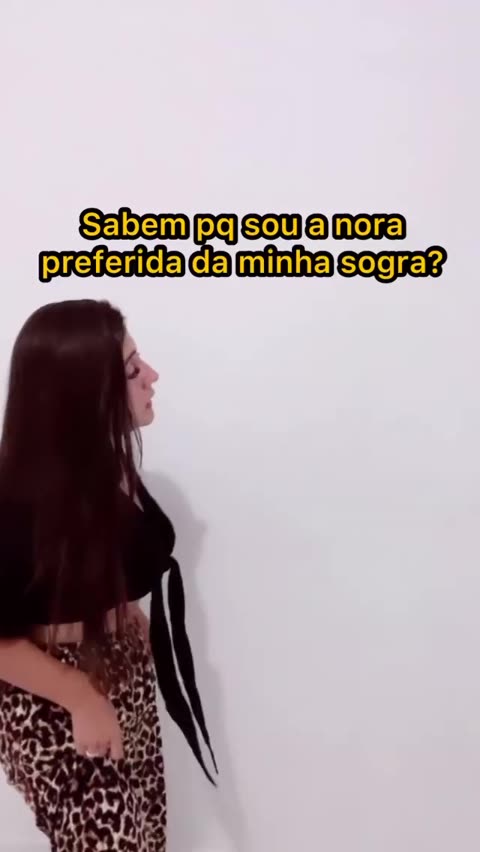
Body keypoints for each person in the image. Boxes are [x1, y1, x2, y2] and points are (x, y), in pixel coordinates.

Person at [0, 299, 217, 852]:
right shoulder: (13, 501)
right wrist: (81, 696)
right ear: (84, 390)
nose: (152, 376)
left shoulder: (104, 467)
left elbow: (80, 570)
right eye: (131, 367)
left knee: (145, 836)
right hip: (53, 694)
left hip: (122, 671)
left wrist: (122, 609)